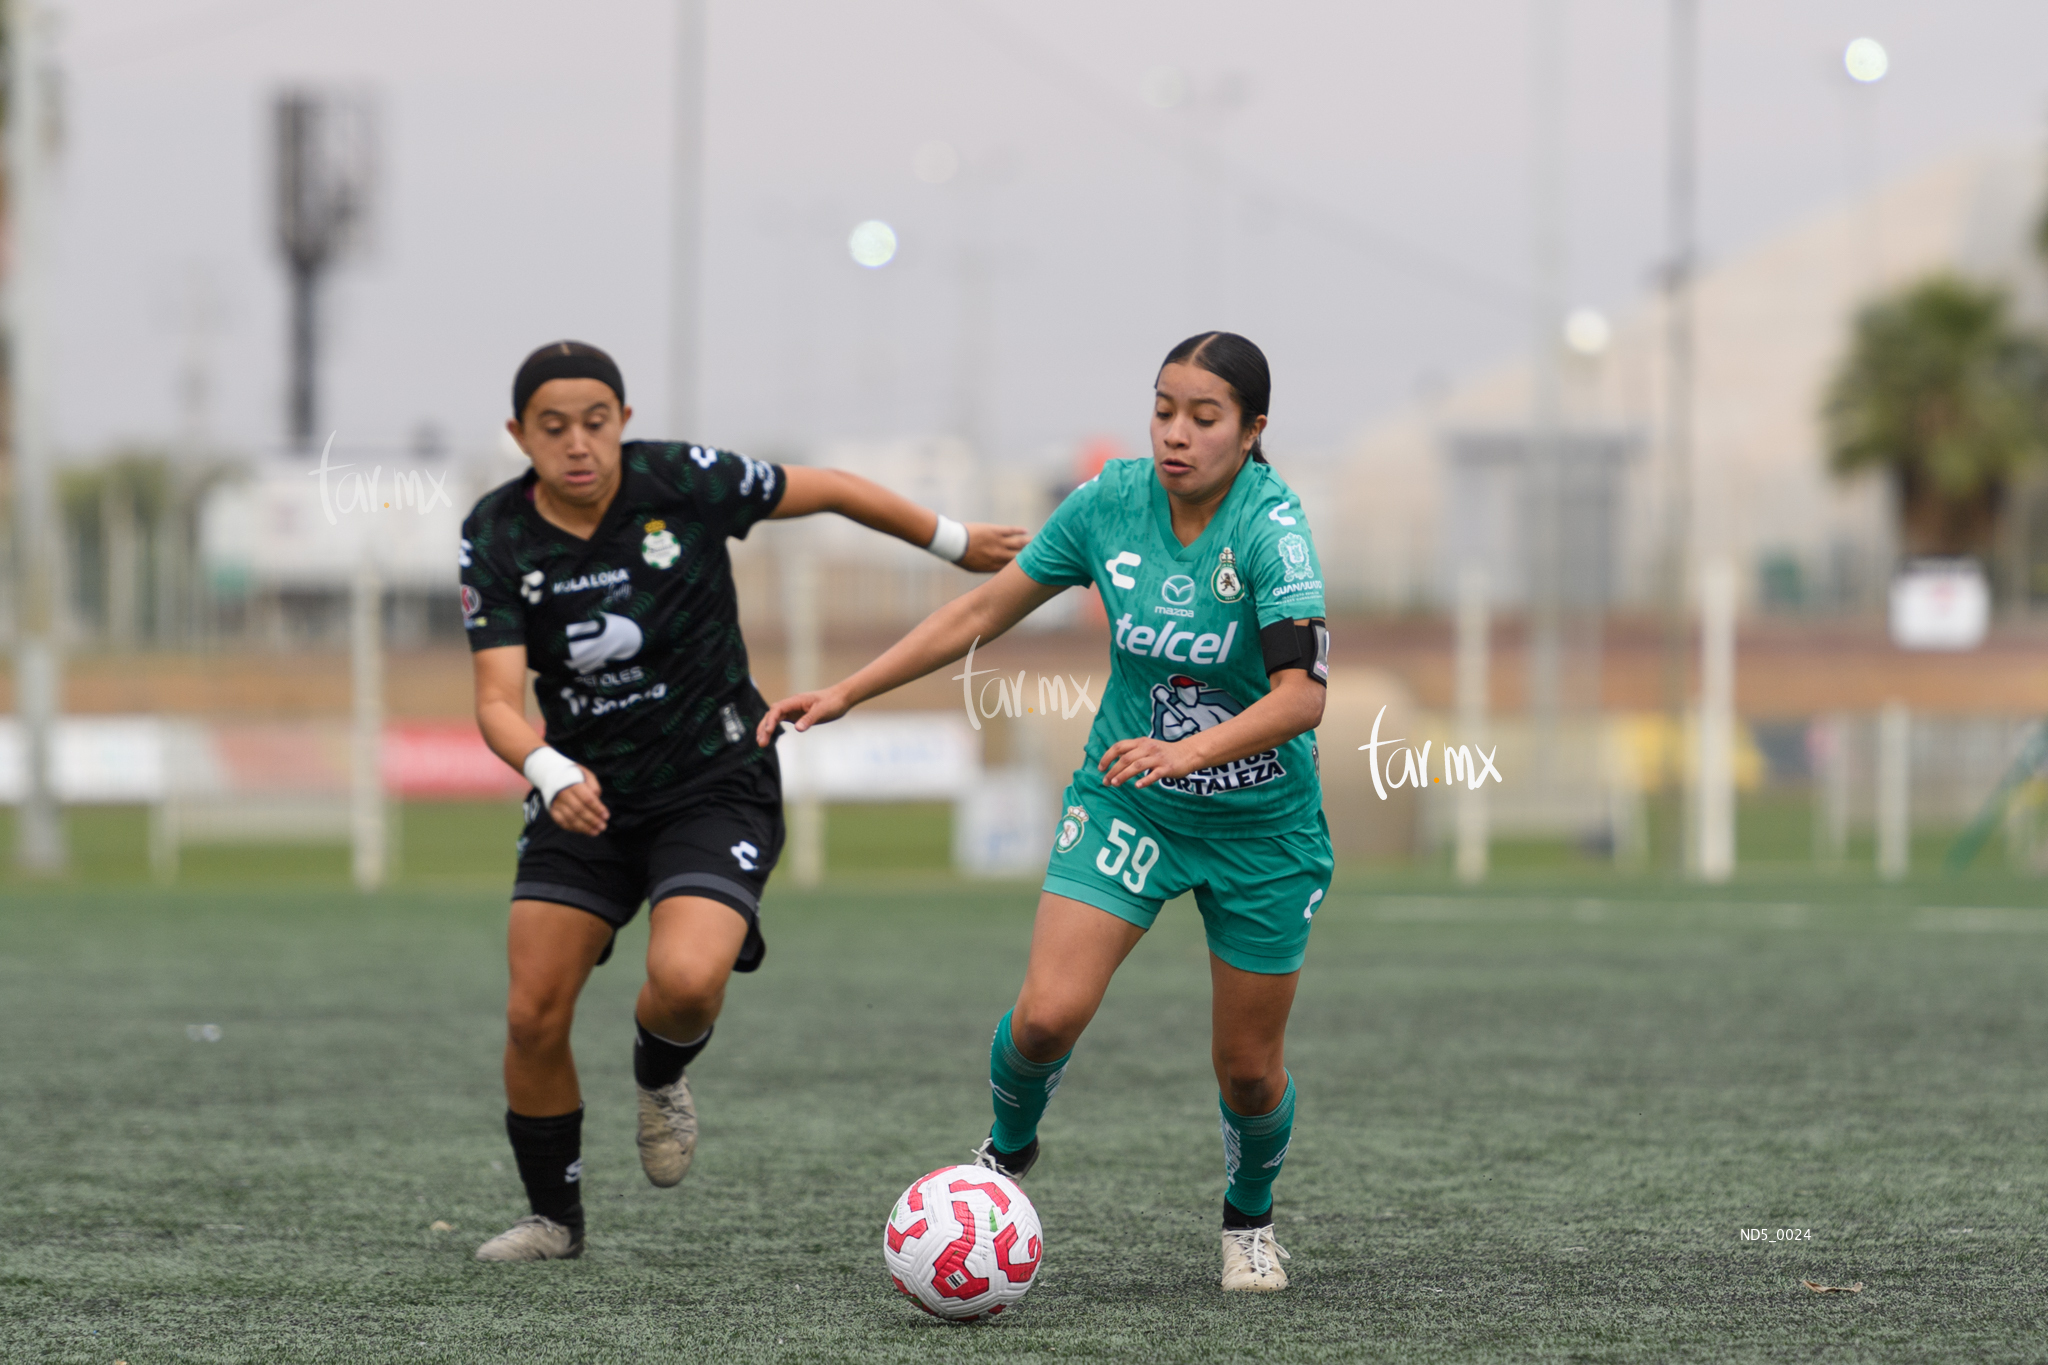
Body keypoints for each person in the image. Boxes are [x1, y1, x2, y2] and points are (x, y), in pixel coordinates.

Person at [759, 332, 1331, 1293]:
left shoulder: (1271, 530)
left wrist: (1187, 748)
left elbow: (1300, 697)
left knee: (1247, 1069)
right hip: (1130, 802)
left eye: (1204, 417)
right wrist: (850, 690)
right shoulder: (1110, 503)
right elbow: (979, 613)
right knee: (1045, 1017)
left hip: (1263, 825)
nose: (1176, 434)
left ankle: (1250, 1221)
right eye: (1163, 409)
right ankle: (1003, 1159)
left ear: (1253, 430)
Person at [460, 340, 1025, 1261]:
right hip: (585, 797)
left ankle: (660, 1074)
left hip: (714, 779)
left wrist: (956, 542)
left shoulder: (683, 480)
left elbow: (836, 486)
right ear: (519, 434)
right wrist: (551, 771)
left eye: (595, 423)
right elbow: (493, 702)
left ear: (624, 422)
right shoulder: (496, 532)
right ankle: (553, 1219)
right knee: (531, 1012)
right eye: (553, 428)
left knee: (684, 983)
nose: (577, 445)